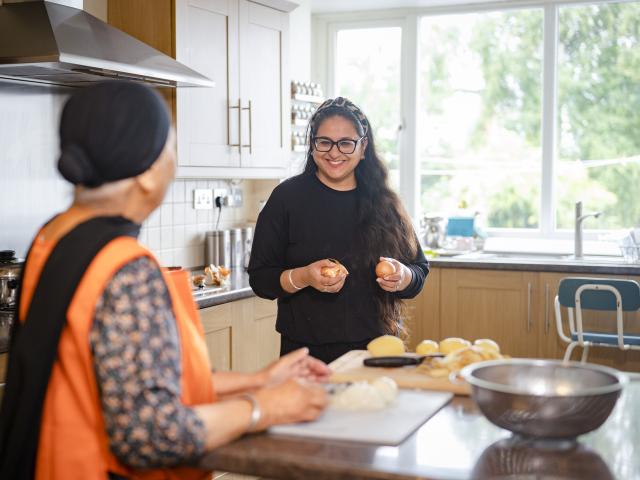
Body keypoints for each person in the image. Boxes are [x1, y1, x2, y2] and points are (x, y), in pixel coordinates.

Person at [0, 81, 329, 480]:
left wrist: (258, 380)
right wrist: (265, 408)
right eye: (172, 146)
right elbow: (152, 434)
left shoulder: (52, 237)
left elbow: (134, 381)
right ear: (149, 170)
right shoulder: (125, 268)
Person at [248, 97, 429, 364]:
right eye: (325, 142)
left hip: (375, 349)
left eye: (346, 143)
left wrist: (403, 276)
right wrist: (304, 277)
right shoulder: (287, 198)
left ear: (363, 146)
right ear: (312, 145)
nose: (334, 153)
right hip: (305, 353)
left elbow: (419, 269)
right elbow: (260, 279)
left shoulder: (385, 202)